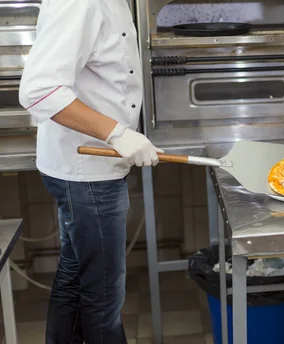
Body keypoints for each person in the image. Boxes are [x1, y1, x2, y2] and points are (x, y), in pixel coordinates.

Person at [19, 0, 162, 343]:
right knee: (103, 299)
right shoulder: (80, 2)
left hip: (90, 166)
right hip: (86, 172)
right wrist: (118, 133)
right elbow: (40, 91)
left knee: (75, 277)